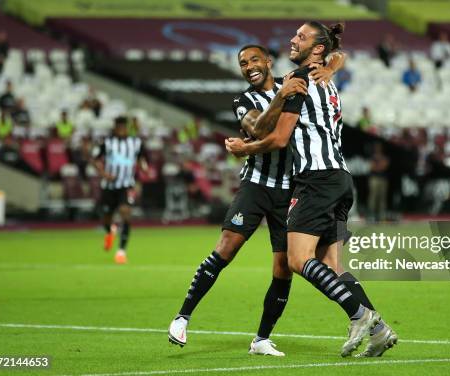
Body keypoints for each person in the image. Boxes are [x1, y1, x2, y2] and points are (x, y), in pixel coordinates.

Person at [226, 21, 397, 358]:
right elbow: (338, 57)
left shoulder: (301, 81)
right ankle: (379, 331)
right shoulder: (325, 79)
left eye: (301, 37)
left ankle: (360, 315)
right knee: (332, 265)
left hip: (315, 180)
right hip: (341, 179)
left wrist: (244, 149)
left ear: (318, 48)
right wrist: (334, 63)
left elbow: (278, 138)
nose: (292, 39)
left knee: (297, 259)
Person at [168, 45, 347, 356]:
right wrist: (281, 96)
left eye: (253, 59)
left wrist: (331, 69)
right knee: (227, 247)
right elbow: (256, 127)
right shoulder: (245, 99)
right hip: (257, 185)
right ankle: (182, 317)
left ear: (268, 61)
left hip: (290, 189)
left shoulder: (293, 82)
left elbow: (336, 55)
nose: (248, 66)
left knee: (284, 267)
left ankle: (261, 339)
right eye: (242, 63)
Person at [91, 116, 147, 264]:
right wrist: (104, 174)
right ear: (115, 128)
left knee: (126, 213)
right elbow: (96, 160)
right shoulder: (107, 142)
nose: (122, 130)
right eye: (119, 127)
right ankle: (110, 231)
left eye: (124, 127)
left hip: (126, 184)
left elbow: (141, 158)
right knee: (106, 218)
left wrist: (144, 167)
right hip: (109, 186)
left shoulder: (135, 143)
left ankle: (121, 251)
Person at [368, 142, 389, 222]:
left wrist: (378, 166)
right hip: (374, 178)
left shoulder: (384, 156)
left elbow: (385, 166)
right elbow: (372, 167)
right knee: (373, 198)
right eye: (376, 147)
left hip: (383, 179)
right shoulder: (372, 156)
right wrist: (379, 166)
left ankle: (381, 217)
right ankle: (371, 216)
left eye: (379, 147)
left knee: (382, 198)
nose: (378, 149)